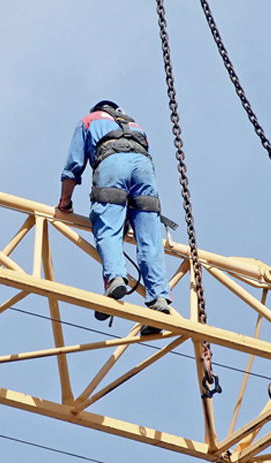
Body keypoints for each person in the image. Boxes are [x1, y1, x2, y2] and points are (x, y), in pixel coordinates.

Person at [56, 100, 171, 335]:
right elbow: (146, 165)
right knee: (149, 240)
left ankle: (116, 279)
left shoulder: (88, 121)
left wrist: (65, 202)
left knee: (107, 231)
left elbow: (74, 165)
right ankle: (159, 299)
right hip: (144, 172)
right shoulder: (136, 127)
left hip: (112, 166)